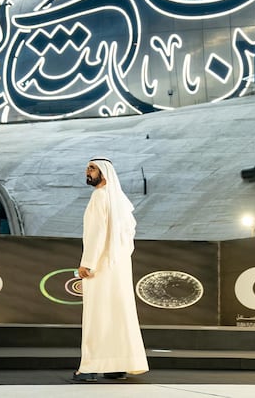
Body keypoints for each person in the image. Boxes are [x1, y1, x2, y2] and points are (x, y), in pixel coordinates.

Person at [72, 157, 149, 382]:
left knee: (98, 316)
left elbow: (96, 233)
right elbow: (129, 235)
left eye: (92, 168)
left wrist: (88, 263)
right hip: (120, 267)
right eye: (87, 167)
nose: (87, 171)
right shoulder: (121, 201)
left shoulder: (99, 197)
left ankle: (89, 368)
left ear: (104, 173)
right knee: (119, 315)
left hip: (102, 268)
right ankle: (117, 366)